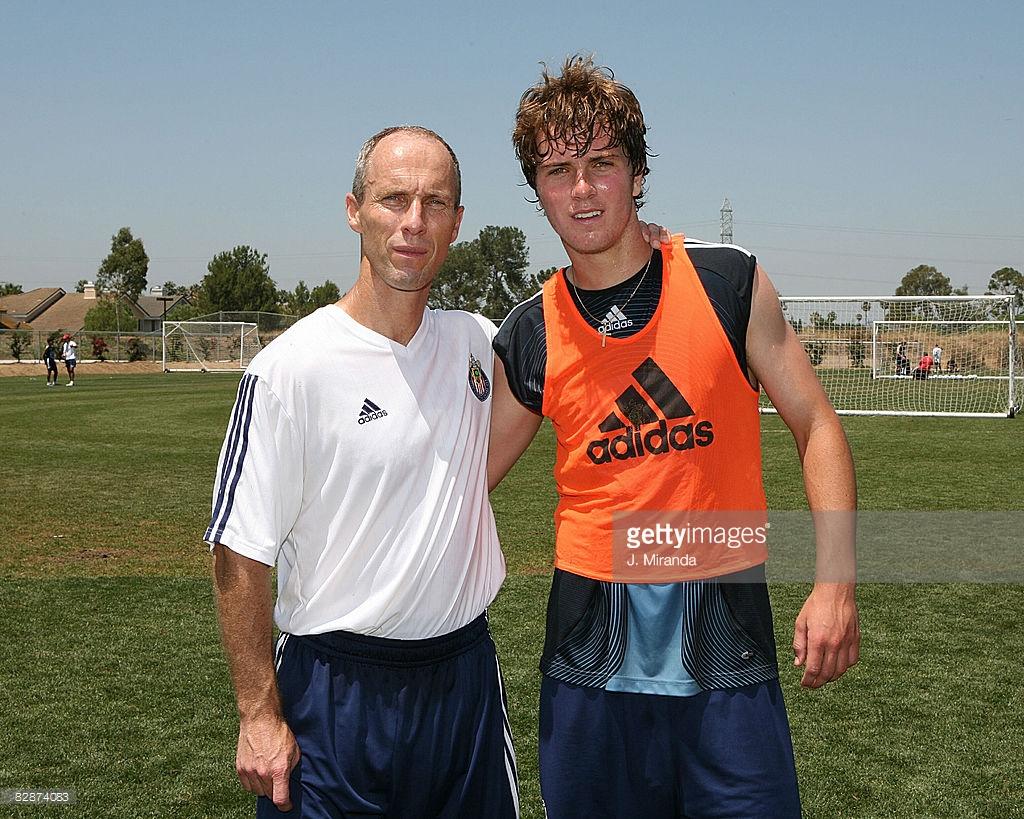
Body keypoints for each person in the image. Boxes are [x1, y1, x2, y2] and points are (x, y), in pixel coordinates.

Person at [488, 56, 860, 818]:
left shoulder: (727, 282)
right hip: (588, 671)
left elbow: (817, 423)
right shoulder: (528, 332)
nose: (582, 189)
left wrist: (836, 583)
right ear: (538, 190)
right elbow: (456, 484)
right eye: (559, 170)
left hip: (729, 658)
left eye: (601, 163)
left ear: (638, 171)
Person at [207, 126, 520, 818]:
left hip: (462, 684)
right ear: (354, 209)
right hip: (334, 692)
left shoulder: (478, 342)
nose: (414, 221)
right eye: (393, 199)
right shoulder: (290, 369)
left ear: (458, 223)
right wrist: (259, 713)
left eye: (435, 203)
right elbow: (237, 552)